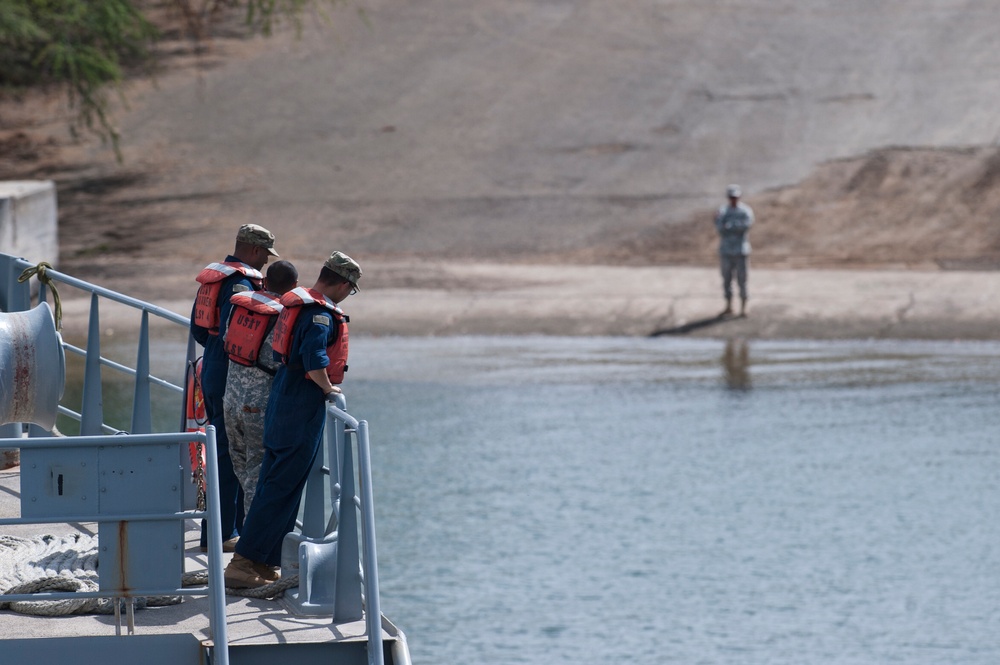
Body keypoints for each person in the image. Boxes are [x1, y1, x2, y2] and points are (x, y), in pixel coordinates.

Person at [225, 251, 361, 588]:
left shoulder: (298, 304)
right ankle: (242, 563)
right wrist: (330, 390)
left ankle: (265, 560)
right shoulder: (320, 315)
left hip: (280, 403)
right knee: (279, 488)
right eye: (351, 289)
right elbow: (315, 361)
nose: (347, 295)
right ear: (343, 284)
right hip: (300, 409)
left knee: (281, 485)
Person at [190, 223, 279, 552]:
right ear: (255, 251)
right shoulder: (242, 284)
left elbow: (200, 331)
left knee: (222, 449)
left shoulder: (216, 278)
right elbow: (238, 338)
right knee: (231, 455)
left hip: (211, 367)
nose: (266, 263)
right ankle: (222, 532)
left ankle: (226, 527)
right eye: (266, 256)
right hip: (231, 375)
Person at [222, 259, 298, 515]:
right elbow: (283, 362)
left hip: (230, 400)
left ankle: (248, 536)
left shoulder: (241, 307)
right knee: (257, 473)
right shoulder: (284, 316)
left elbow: (226, 341)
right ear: (294, 287)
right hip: (258, 407)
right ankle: (253, 547)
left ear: (265, 282)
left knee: (241, 469)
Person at [714, 184, 754, 317]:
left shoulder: (745, 211)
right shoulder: (723, 211)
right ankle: (729, 306)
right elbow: (719, 227)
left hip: (741, 251)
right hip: (726, 251)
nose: (733, 200)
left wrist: (730, 226)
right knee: (726, 279)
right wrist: (731, 227)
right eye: (731, 197)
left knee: (742, 279)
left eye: (735, 197)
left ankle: (744, 308)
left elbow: (746, 226)